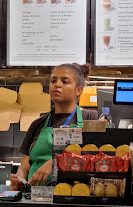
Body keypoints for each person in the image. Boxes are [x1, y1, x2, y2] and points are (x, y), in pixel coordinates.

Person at [10, 63, 98, 191]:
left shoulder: (90, 119)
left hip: (72, 197)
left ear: (78, 90)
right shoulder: (38, 124)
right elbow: (24, 168)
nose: (57, 84)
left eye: (65, 81)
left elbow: (95, 158)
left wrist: (55, 163)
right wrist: (19, 182)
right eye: (53, 81)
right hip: (34, 199)